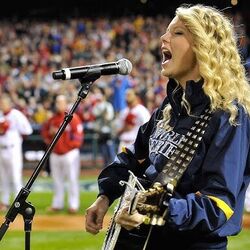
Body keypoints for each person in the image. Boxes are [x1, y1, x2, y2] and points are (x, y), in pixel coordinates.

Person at [85, 4, 250, 250]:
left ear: (204, 47)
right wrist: (105, 195)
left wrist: (152, 209)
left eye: (178, 33)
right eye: (166, 32)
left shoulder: (229, 115)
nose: (163, 37)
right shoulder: (170, 106)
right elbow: (133, 156)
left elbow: (218, 205)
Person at [41, 95, 84, 214]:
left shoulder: (73, 118)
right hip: (55, 154)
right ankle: (57, 204)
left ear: (66, 104)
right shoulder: (53, 119)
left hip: (70, 154)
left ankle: (73, 205)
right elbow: (44, 133)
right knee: (57, 180)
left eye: (61, 102)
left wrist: (69, 146)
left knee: (72, 179)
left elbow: (78, 137)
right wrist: (49, 136)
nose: (58, 105)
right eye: (57, 102)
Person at [0, 94, 33, 212]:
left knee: (15, 177)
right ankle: (4, 202)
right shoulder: (0, 115)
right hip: (1, 150)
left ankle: (17, 203)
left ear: (9, 104)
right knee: (3, 178)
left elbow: (28, 129)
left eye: (4, 103)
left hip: (13, 149)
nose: (2, 105)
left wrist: (15, 132)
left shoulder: (16, 114)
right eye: (1, 103)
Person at [115, 88, 151, 152]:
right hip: (123, 143)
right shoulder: (124, 112)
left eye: (129, 94)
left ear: (136, 96)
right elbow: (117, 130)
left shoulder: (142, 110)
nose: (126, 97)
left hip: (135, 143)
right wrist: (126, 126)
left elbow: (148, 128)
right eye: (126, 95)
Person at [92, 87, 116, 168]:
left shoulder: (108, 105)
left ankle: (113, 169)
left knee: (111, 152)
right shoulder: (97, 106)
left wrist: (103, 114)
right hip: (100, 131)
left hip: (109, 131)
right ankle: (106, 169)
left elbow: (109, 117)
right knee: (104, 153)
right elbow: (95, 114)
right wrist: (102, 113)